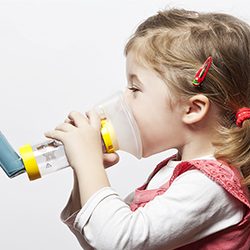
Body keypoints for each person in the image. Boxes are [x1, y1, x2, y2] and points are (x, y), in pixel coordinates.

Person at [45, 8, 250, 250]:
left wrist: (88, 163)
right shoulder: (176, 173)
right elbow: (98, 241)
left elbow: (118, 241)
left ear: (192, 109)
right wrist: (85, 173)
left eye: (135, 89)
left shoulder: (210, 185)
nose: (123, 100)